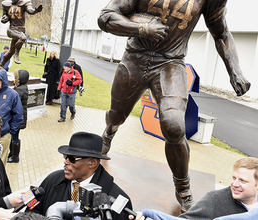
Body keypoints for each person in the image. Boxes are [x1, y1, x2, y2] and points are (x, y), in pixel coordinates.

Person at [97, 0, 251, 212]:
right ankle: (109, 132)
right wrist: (143, 28)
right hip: (135, 58)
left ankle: (183, 186)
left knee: (174, 125)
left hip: (170, 63)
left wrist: (235, 70)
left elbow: (221, 33)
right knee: (117, 115)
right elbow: (106, 16)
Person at [28, 131, 133, 220]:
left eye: (72, 159)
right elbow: (30, 214)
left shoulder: (118, 200)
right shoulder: (51, 180)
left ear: (92, 163)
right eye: (66, 157)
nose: (66, 162)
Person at [128, 157, 258, 220]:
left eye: (242, 181)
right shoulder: (215, 200)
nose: (234, 184)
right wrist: (149, 213)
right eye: (234, 178)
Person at [0, 0, 43, 67]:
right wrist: (4, 18)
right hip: (12, 29)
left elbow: (30, 10)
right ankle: (17, 54)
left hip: (21, 30)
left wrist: (36, 10)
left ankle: (1, 65)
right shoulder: (6, 4)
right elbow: (5, 15)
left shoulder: (24, 3)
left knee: (11, 52)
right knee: (22, 38)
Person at [7, 69, 29, 163]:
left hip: (17, 118)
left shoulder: (20, 90)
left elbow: (13, 103)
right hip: (19, 116)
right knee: (14, 135)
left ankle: (15, 157)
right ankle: (11, 154)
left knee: (14, 136)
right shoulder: (22, 87)